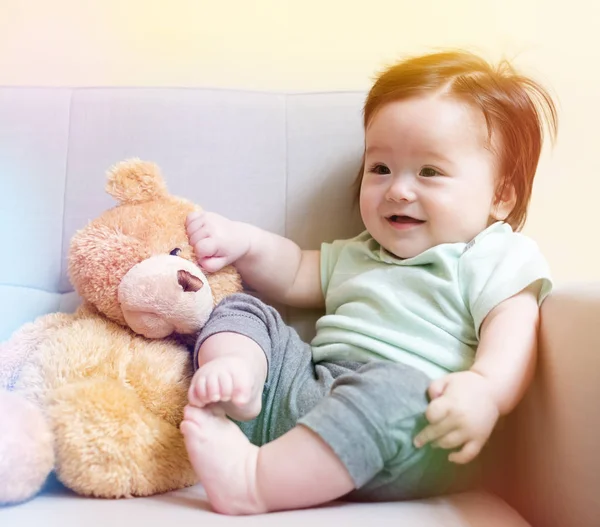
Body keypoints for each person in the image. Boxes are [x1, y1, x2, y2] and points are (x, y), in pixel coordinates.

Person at [180, 50, 558, 515]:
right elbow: (296, 270)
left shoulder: (493, 255)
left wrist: (484, 389)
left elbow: (514, 334)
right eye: (380, 169)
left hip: (411, 429)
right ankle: (239, 383)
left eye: (430, 172)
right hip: (312, 392)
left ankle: (254, 482)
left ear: (500, 194)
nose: (398, 189)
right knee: (245, 308)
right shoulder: (362, 251)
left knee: (397, 391)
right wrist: (246, 243)